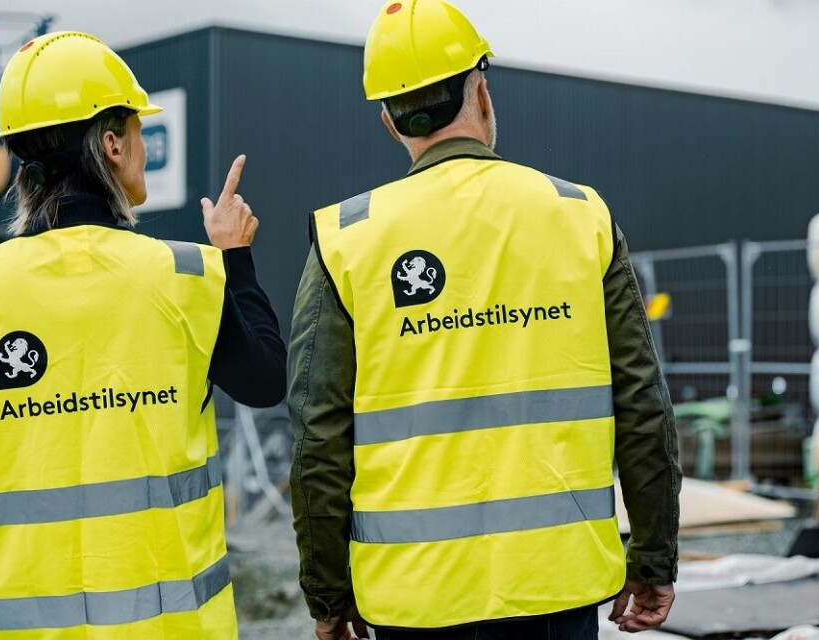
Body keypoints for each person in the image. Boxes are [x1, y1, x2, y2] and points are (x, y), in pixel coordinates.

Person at [289, 1, 681, 638]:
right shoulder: (579, 215)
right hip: (559, 584)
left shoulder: (346, 237)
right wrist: (654, 557)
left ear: (389, 121)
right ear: (483, 91)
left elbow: (318, 436)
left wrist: (329, 595)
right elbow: (642, 402)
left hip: (413, 594)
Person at [0, 32, 286, 638]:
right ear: (111, 144)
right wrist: (235, 259)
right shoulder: (183, 274)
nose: (140, 144)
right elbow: (267, 381)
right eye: (135, 129)